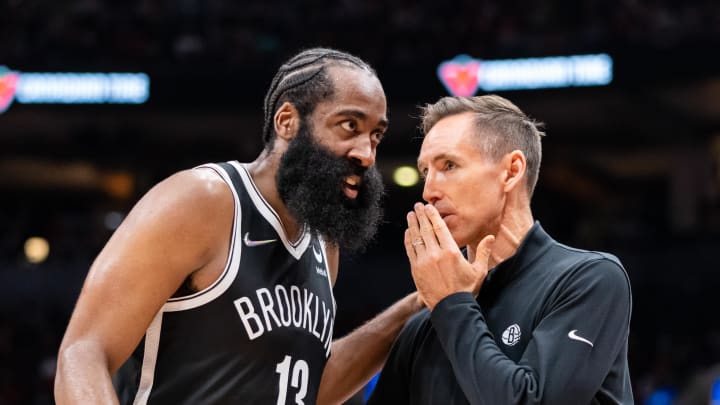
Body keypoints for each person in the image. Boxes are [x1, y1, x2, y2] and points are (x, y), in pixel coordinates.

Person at [54, 47, 423, 405]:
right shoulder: (202, 200)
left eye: (376, 135)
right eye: (349, 126)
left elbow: (304, 390)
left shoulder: (323, 243)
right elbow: (83, 354)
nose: (366, 153)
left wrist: (418, 305)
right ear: (287, 122)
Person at [367, 95, 633, 404]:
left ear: (511, 171)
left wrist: (453, 303)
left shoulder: (590, 280)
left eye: (449, 165)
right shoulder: (425, 326)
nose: (429, 191)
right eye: (427, 171)